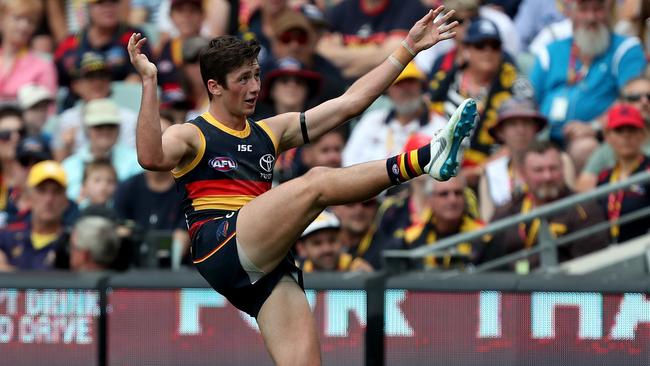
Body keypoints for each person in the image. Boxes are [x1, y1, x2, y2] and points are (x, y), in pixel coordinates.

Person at [128, 6, 469, 364]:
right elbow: (150, 157)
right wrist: (149, 82)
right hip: (219, 244)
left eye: (257, 75)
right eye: (243, 78)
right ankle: (426, 158)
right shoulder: (192, 134)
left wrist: (408, 49)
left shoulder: (270, 130)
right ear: (214, 86)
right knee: (317, 182)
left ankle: (429, 158)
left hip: (264, 261)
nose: (255, 87)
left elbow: (349, 104)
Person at [529, 0, 647, 151]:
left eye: (598, 9)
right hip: (545, 138)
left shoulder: (625, 48)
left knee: (584, 147)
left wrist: (594, 126)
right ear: (570, 13)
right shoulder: (550, 52)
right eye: (583, 10)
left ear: (609, 12)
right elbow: (529, 99)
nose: (591, 18)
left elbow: (632, 98)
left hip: (600, 137)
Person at [481, 141, 609, 273]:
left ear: (563, 169)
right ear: (524, 174)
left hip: (561, 288)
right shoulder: (509, 209)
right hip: (512, 288)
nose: (547, 177)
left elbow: (591, 265)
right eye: (539, 170)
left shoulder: (583, 208)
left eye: (553, 168)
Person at [478, 97, 576, 221]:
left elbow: (573, 204)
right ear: (500, 132)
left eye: (526, 123)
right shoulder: (490, 173)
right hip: (511, 237)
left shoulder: (561, 160)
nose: (521, 130)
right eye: (513, 124)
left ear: (536, 128)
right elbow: (487, 222)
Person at [577, 76, 650, 192]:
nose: (644, 102)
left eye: (649, 97)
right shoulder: (609, 148)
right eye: (635, 97)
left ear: (642, 134)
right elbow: (584, 188)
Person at [61, 98, 142, 201]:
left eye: (110, 125)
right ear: (87, 129)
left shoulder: (136, 162)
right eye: (99, 126)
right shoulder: (69, 166)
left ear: (118, 128)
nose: (105, 131)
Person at [402, 176, 486, 269]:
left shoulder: (484, 236)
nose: (452, 200)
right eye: (444, 194)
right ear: (430, 200)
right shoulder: (411, 238)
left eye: (458, 193)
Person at [0, 161, 71, 271]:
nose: (49, 199)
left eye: (56, 192)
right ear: (29, 196)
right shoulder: (6, 236)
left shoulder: (74, 244)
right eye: (41, 191)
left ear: (65, 200)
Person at [596, 103, 650, 243]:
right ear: (608, 136)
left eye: (632, 129)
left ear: (643, 134)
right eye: (619, 130)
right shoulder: (604, 178)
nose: (626, 136)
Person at [0, 0, 57, 102]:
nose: (24, 26)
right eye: (17, 18)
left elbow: (48, 110)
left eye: (30, 21)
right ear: (1, 20)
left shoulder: (42, 65)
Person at [296, 211, 373, 273]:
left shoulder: (358, 270)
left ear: (342, 241)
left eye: (332, 240)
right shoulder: (295, 273)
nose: (327, 249)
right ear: (302, 248)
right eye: (317, 243)